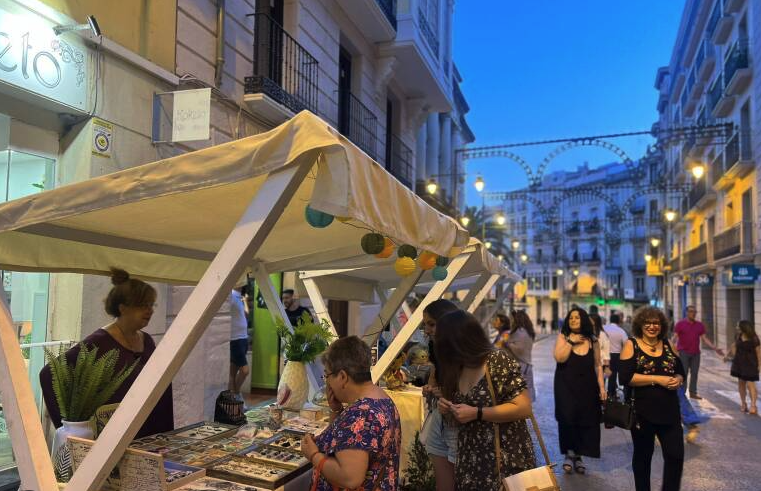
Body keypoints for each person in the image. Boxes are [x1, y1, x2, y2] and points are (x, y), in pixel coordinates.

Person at [40, 268, 174, 438]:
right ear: (123, 308)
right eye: (142, 305)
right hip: (112, 439)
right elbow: (49, 374)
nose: (150, 310)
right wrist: (71, 428)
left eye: (151, 304)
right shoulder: (98, 342)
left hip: (146, 436)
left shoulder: (146, 341)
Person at [435, 310, 535, 490]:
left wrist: (477, 413)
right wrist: (448, 409)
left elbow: (524, 407)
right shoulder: (456, 368)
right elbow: (460, 416)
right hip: (470, 463)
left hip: (505, 463)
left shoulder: (497, 360)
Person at [301, 336, 401, 490]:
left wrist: (313, 455)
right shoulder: (381, 399)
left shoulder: (359, 415)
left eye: (327, 375)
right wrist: (337, 410)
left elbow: (349, 478)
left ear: (342, 377)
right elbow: (346, 442)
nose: (327, 383)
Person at [619, 306, 685, 491]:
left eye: (656, 323)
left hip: (670, 412)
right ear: (640, 324)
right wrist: (658, 379)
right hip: (642, 414)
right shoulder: (632, 345)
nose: (652, 326)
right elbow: (624, 378)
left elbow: (680, 371)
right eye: (647, 322)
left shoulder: (667, 344)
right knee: (643, 458)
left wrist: (678, 380)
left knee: (676, 456)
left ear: (661, 325)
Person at [553, 307, 605, 474]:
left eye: (577, 317)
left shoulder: (593, 340)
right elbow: (559, 357)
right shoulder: (563, 336)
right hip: (565, 386)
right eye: (571, 318)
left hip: (587, 386)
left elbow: (598, 365)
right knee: (567, 419)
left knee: (585, 420)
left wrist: (602, 387)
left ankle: (579, 455)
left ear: (583, 319)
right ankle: (569, 454)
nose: (573, 320)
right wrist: (570, 342)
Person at [420, 299, 460, 491]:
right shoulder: (435, 347)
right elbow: (435, 373)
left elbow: (472, 394)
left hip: (458, 422)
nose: (427, 330)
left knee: (458, 479)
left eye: (431, 324)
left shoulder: (464, 352)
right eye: (425, 325)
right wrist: (430, 387)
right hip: (440, 416)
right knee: (443, 482)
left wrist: (448, 393)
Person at [672, 305, 723, 399]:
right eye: (691, 311)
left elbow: (704, 338)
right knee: (684, 373)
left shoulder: (700, 325)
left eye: (695, 312)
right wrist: (671, 349)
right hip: (683, 352)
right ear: (686, 312)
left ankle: (693, 392)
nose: (693, 313)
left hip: (696, 353)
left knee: (694, 373)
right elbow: (674, 338)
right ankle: (682, 392)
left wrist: (715, 348)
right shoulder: (680, 324)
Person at [725, 320, 760, 414]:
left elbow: (758, 352)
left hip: (751, 364)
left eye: (738, 326)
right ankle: (743, 404)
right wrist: (727, 355)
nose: (737, 327)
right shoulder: (738, 335)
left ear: (744, 327)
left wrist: (759, 365)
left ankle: (753, 405)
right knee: (741, 383)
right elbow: (734, 345)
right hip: (739, 363)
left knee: (750, 384)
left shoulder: (754, 338)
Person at [506, 310, 536, 401]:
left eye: (512, 319)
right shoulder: (528, 331)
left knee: (518, 393)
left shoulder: (520, 332)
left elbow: (519, 349)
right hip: (527, 365)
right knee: (527, 390)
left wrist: (507, 343)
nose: (511, 322)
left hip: (520, 365)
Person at [228, 287, 250, 401]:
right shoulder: (230, 294)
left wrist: (245, 301)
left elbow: (246, 315)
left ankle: (232, 400)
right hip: (235, 339)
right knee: (245, 371)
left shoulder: (238, 296)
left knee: (232, 372)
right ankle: (236, 394)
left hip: (243, 338)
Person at [603, 312, 628, 396]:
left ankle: (600, 393)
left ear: (610, 320)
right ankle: (611, 394)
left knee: (602, 374)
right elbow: (626, 344)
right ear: (618, 321)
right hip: (615, 356)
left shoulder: (603, 328)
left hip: (603, 355)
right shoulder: (621, 331)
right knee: (612, 376)